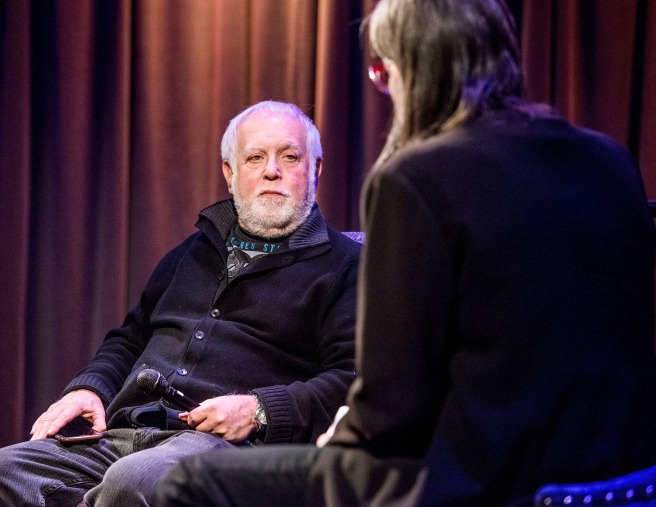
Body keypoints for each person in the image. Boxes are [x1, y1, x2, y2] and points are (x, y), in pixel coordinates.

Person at [156, 0, 656, 505]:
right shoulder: (609, 159)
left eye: (381, 70)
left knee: (189, 482)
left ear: (411, 67)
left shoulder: (416, 178)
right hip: (619, 477)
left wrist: (338, 446)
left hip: (484, 481)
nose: (387, 87)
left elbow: (393, 412)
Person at [0, 100, 361, 506]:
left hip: (224, 449)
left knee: (132, 481)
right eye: (255, 157)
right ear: (230, 174)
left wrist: (260, 409)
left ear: (315, 170)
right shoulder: (193, 251)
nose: (271, 170)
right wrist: (90, 388)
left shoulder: (346, 266)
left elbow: (355, 380)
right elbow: (130, 338)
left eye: (290, 156)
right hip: (128, 432)